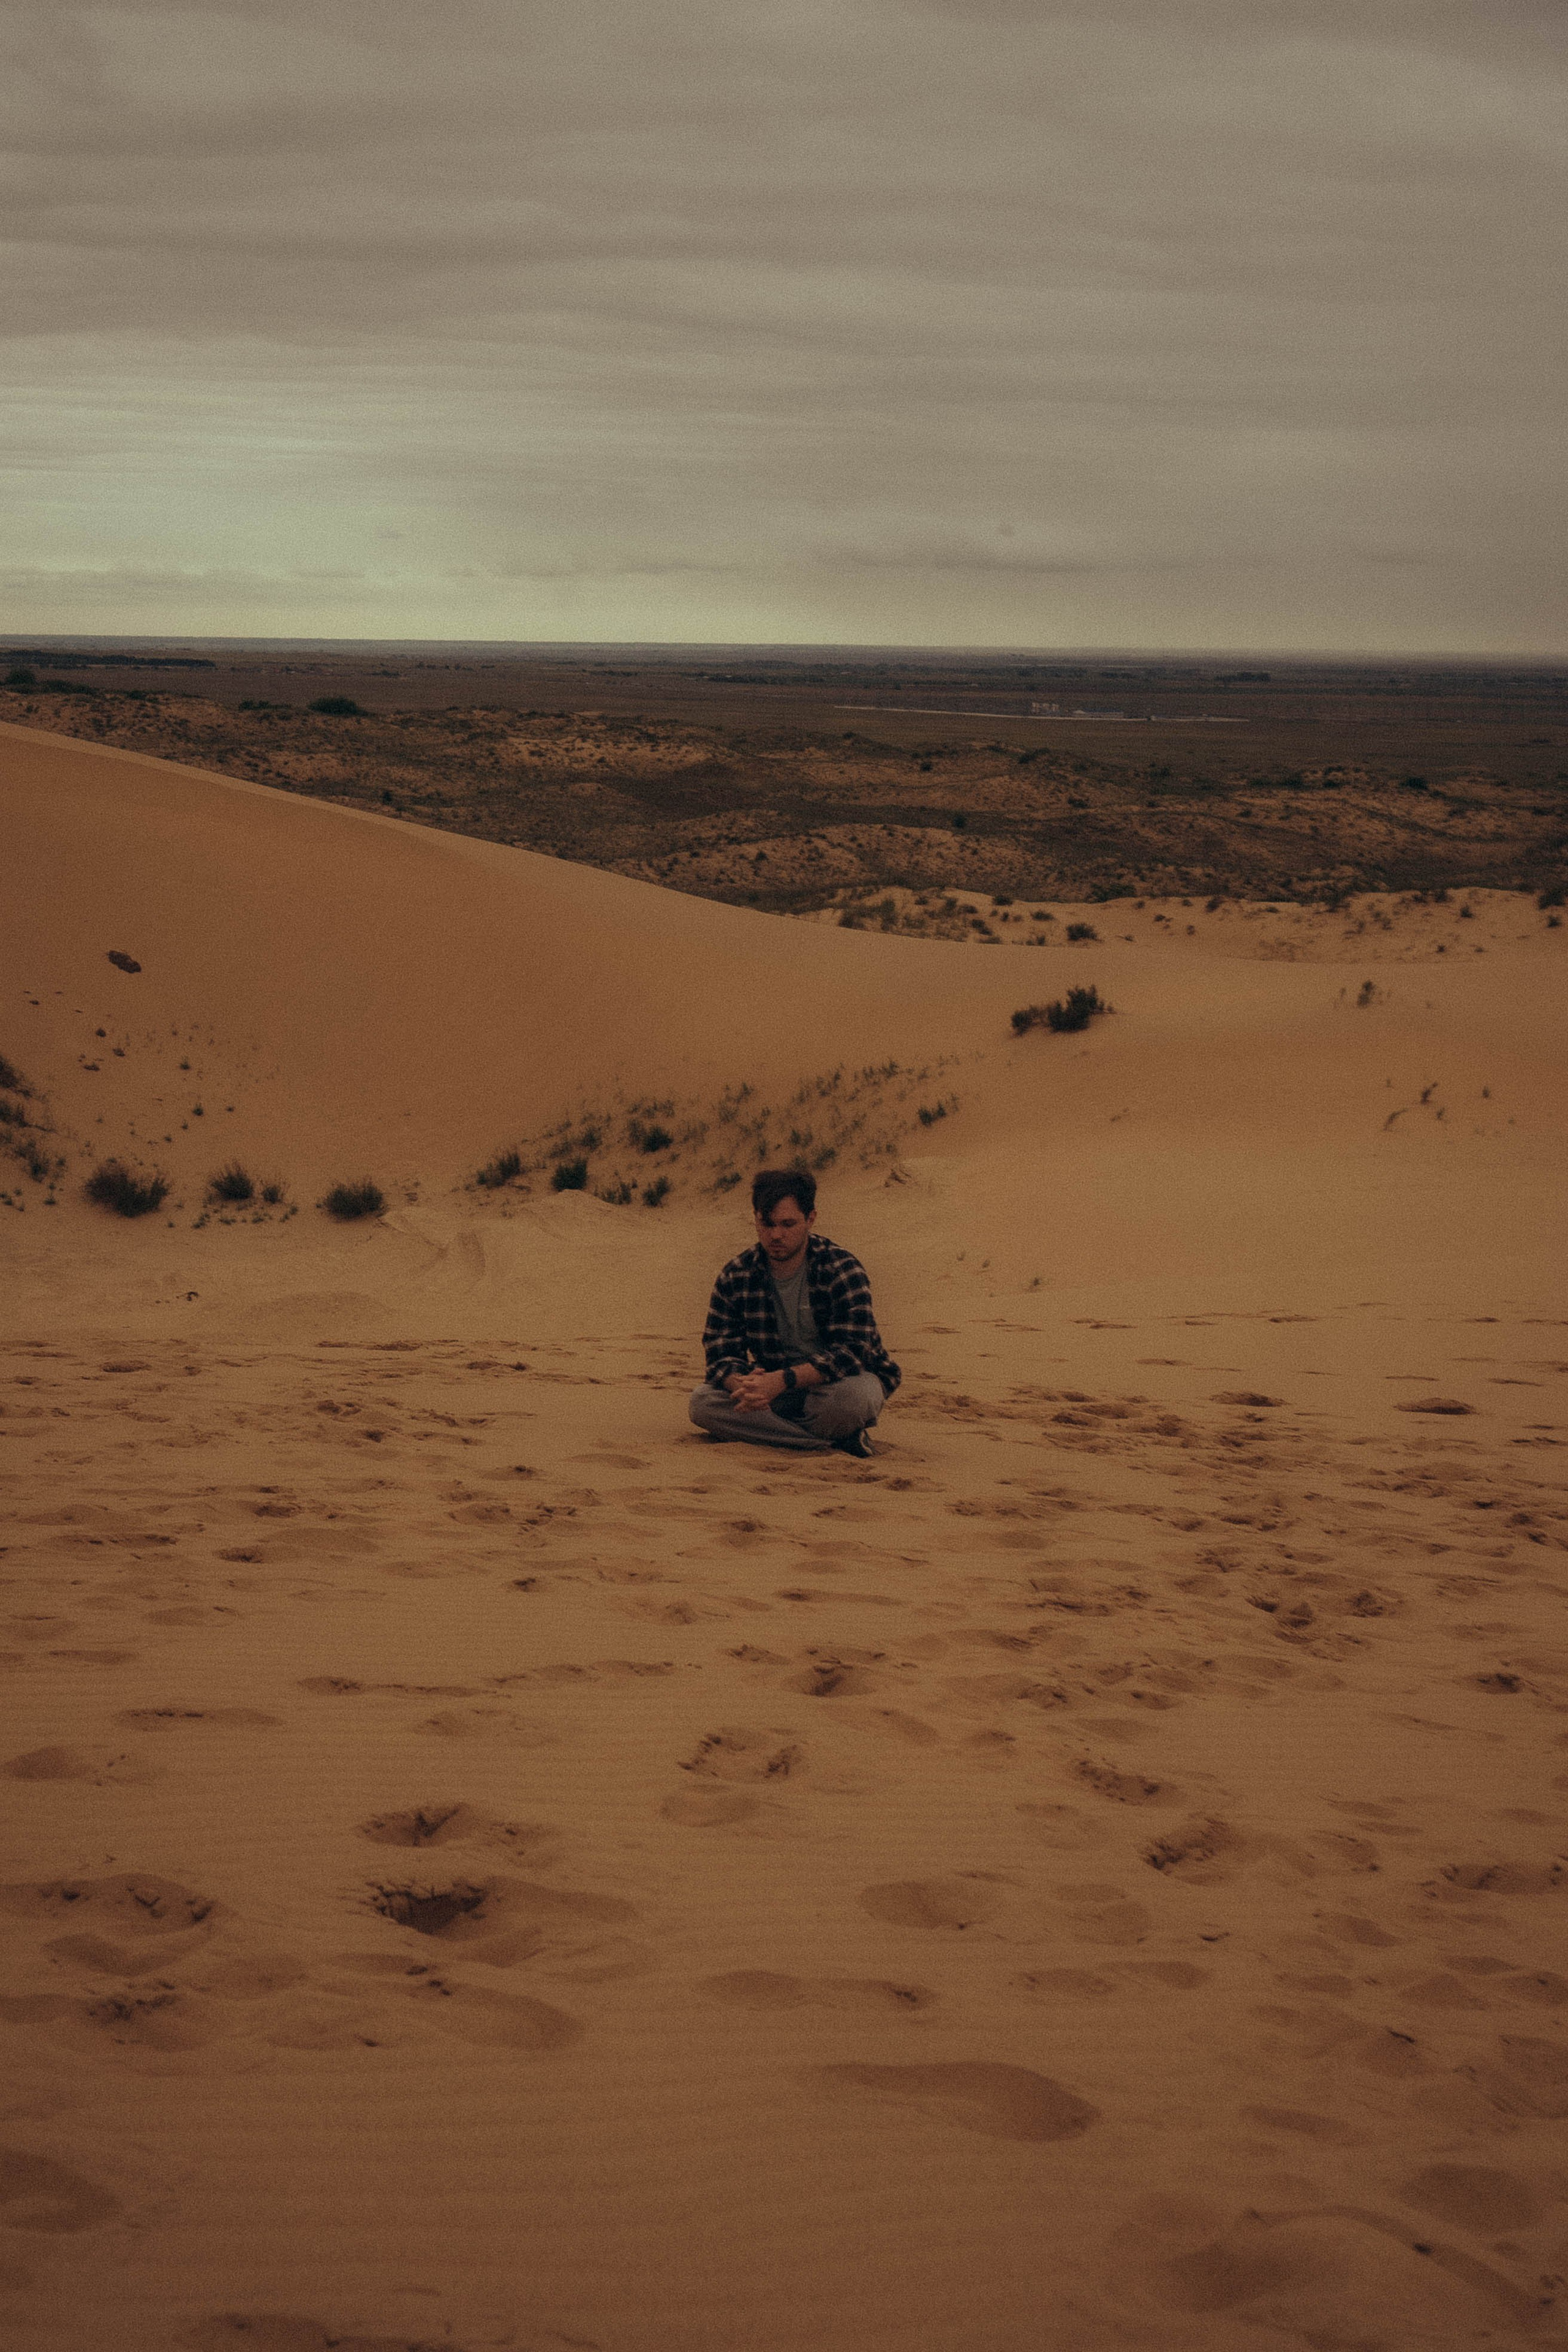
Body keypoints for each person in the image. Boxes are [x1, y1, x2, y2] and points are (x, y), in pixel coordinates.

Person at [689, 1167, 900, 1457]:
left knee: (850, 1401)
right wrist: (741, 1384)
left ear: (810, 1219)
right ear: (756, 1219)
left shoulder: (841, 1269)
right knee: (703, 1403)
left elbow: (852, 1353)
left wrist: (782, 1380)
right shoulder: (737, 1274)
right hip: (775, 1390)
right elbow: (719, 1351)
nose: (776, 1235)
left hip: (838, 1384)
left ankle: (779, 1433)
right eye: (767, 1224)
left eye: (788, 1224)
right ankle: (830, 1442)